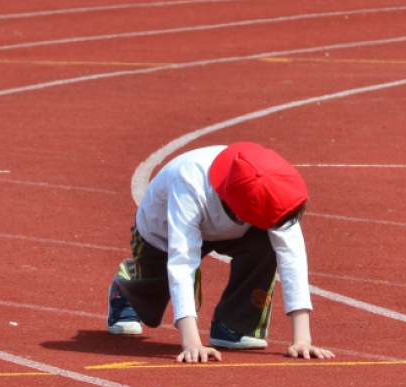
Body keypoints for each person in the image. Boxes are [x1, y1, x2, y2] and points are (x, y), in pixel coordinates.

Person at [106, 142, 333, 364]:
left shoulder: (272, 185)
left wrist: (302, 339)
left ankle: (232, 325)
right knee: (151, 294)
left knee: (266, 245)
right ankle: (126, 287)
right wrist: (191, 343)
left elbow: (291, 253)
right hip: (163, 230)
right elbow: (182, 261)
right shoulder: (188, 181)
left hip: (234, 225)